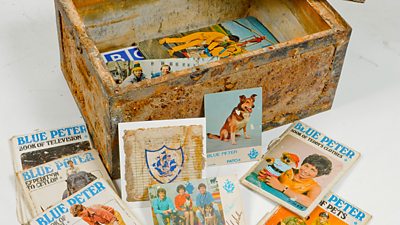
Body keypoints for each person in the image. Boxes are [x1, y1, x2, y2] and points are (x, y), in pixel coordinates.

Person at [260, 154, 332, 207]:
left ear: (318, 175)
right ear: (302, 164)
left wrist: (282, 188)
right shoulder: (287, 170)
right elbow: (268, 176)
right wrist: (264, 173)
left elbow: (310, 203)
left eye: (312, 170)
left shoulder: (315, 187)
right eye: (306, 166)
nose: (306, 171)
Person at [159, 32, 242, 57]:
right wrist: (206, 44)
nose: (231, 43)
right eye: (233, 42)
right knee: (183, 39)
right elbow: (212, 38)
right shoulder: (221, 35)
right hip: (199, 36)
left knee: (187, 46)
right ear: (232, 39)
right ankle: (166, 40)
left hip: (201, 41)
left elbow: (213, 43)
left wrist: (208, 49)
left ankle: (173, 50)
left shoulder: (222, 40)